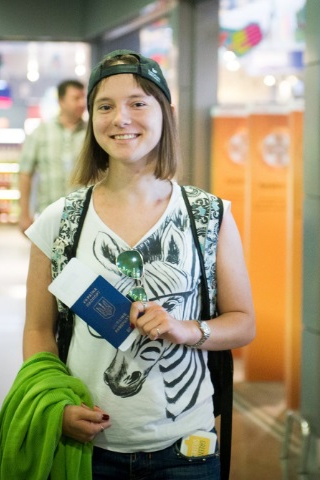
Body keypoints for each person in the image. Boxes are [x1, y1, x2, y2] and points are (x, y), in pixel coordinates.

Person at [22, 49, 255, 478]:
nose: (120, 118)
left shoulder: (208, 214)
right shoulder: (59, 221)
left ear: (165, 113)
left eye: (138, 103)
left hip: (187, 450)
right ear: (90, 119)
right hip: (87, 450)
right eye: (104, 106)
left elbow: (243, 322)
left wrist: (186, 329)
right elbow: (38, 330)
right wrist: (57, 404)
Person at [18, 79, 87, 233]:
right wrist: (24, 214)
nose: (82, 103)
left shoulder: (92, 133)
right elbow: (25, 173)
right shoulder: (41, 132)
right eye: (76, 98)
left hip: (85, 216)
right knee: (47, 257)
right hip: (49, 215)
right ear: (61, 101)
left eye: (84, 98)